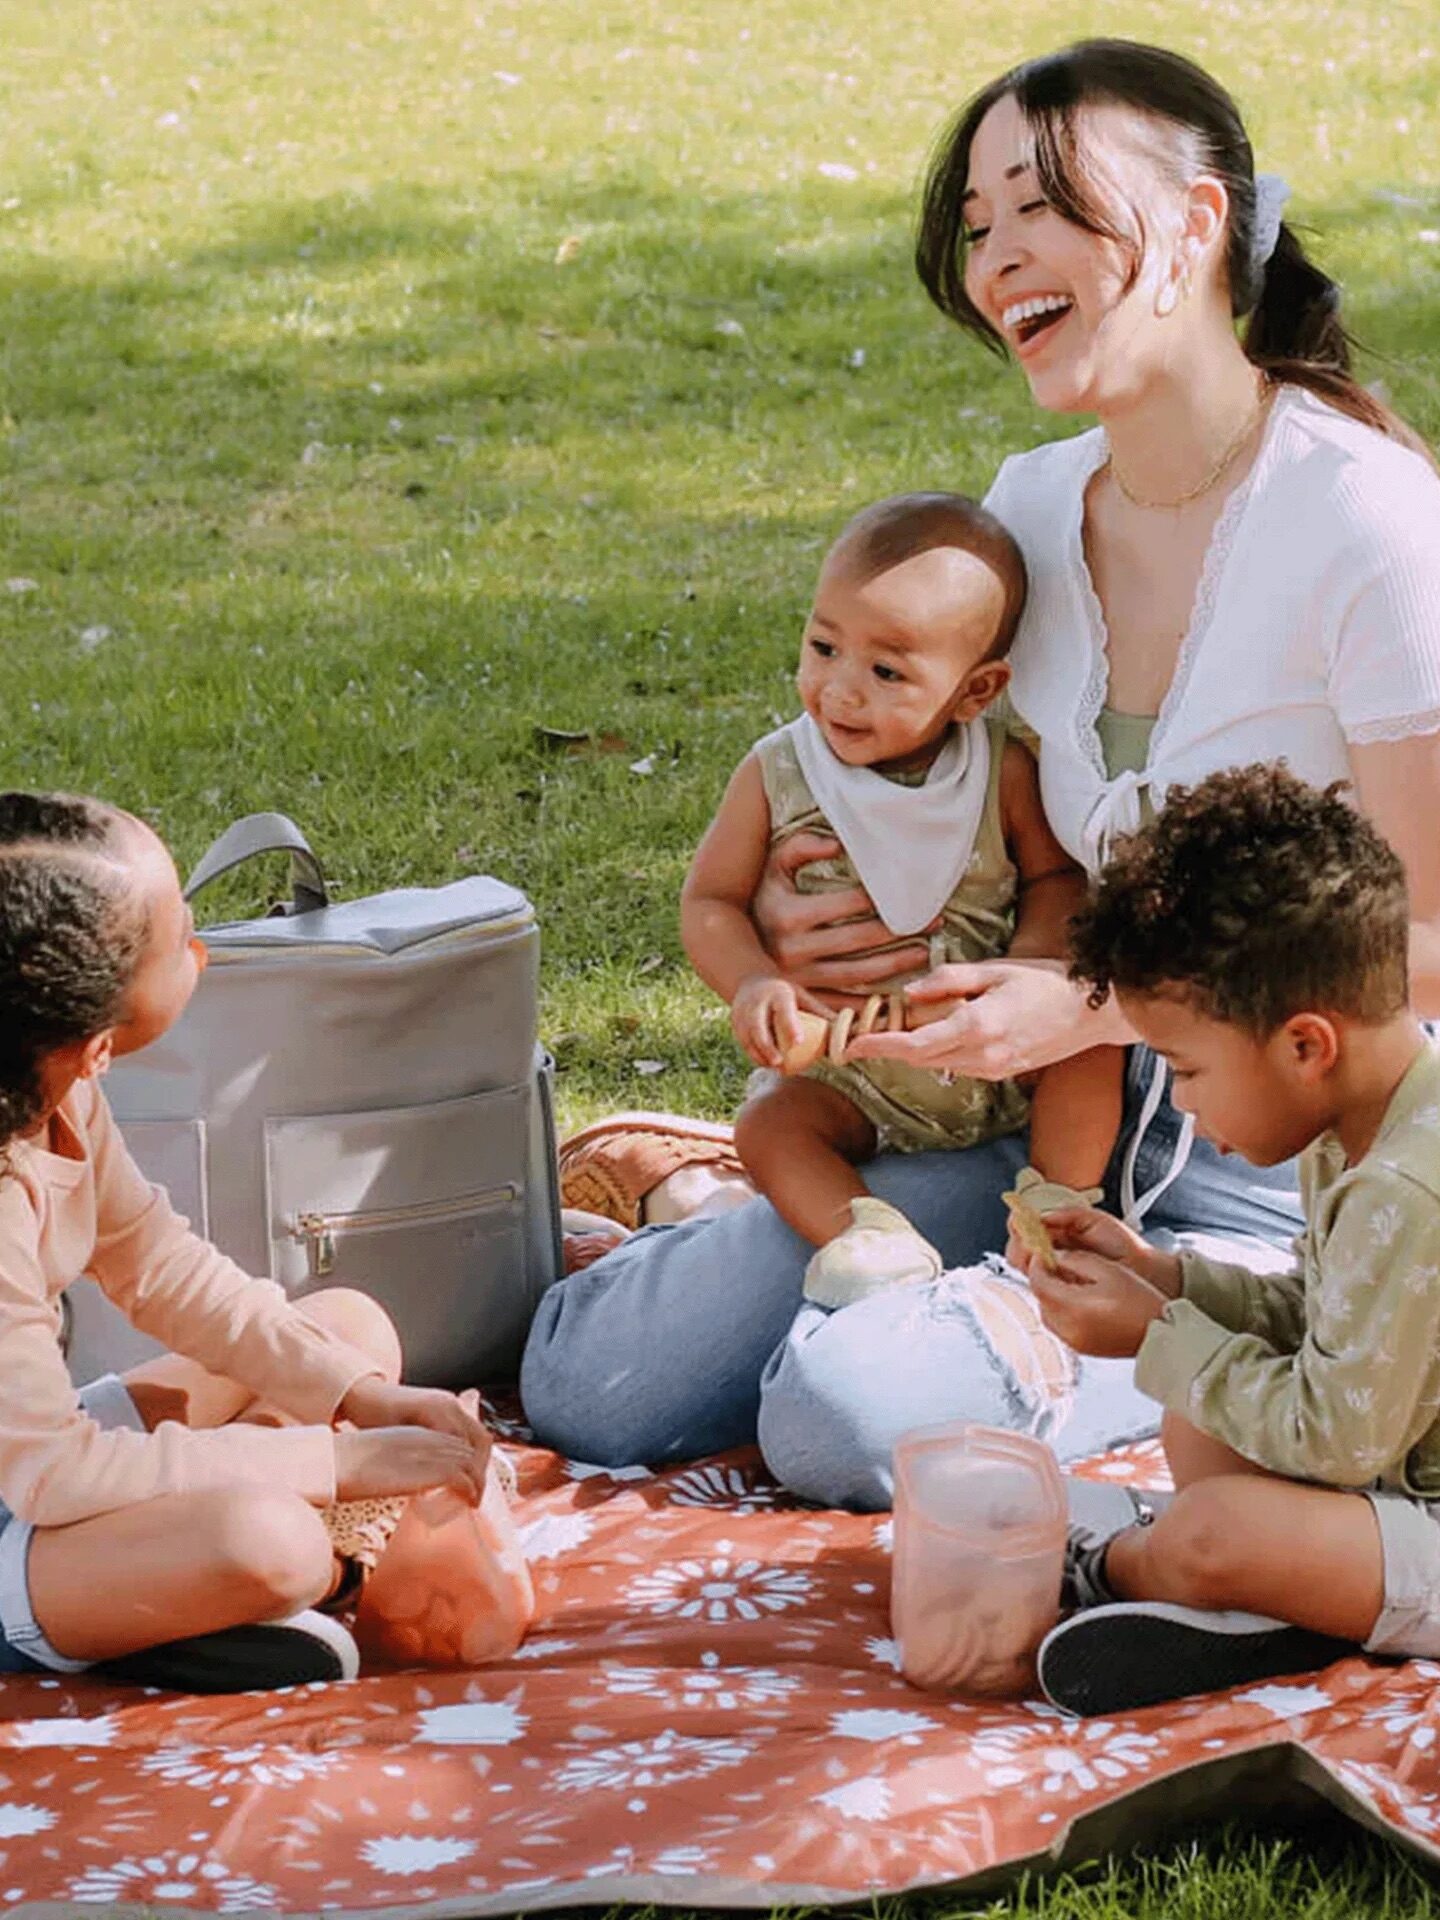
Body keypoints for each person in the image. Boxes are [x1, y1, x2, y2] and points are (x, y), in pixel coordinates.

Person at [521, 38, 1440, 1510]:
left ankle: (974, 1315)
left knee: (836, 1420)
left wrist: (1090, 1003)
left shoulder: (1374, 528)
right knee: (588, 1381)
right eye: (977, 224)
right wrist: (827, 928)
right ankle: (738, 1196)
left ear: (1197, 225)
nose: (999, 257)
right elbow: (940, 799)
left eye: (1043, 206)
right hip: (1023, 1130)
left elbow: (1424, 955)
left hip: (1276, 1177)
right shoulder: (1027, 512)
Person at [0, 792, 493, 1692]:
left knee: (349, 1329)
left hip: (28, 1466)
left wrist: (359, 1399)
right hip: (32, 1497)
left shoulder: (61, 1087)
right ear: (101, 1038)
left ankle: (169, 1587)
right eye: (180, 938)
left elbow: (162, 1269)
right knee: (273, 1544)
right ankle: (175, 1597)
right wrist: (335, 1464)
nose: (201, 949)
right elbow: (56, 1476)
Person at [1010, 765, 1440, 1715]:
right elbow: (1325, 1325)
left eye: (1187, 1071)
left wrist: (1153, 1338)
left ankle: (1106, 1567)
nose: (1188, 1111)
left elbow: (1330, 1437)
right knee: (1198, 1426)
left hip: (1410, 1501)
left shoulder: (1409, 1187)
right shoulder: (1364, 1124)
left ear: (1304, 1045)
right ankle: (1292, 1610)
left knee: (1215, 1533)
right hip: (1391, 1470)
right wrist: (1166, 1281)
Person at [682, 491, 1122, 1305]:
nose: (841, 691)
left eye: (886, 672)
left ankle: (1057, 1204)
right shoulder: (778, 775)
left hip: (1006, 1055)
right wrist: (753, 980)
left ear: (976, 691)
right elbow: (710, 900)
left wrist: (1033, 962)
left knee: (1092, 1044)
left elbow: (1059, 880)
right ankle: (866, 1234)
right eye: (823, 647)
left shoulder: (1002, 771)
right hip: (856, 1071)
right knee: (771, 1123)